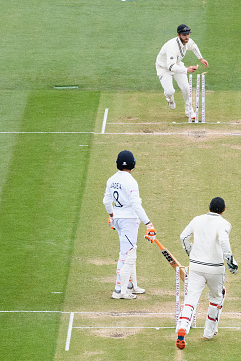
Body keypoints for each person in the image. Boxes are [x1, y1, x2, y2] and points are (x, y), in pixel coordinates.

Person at [175, 197, 238, 350]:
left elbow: (183, 237)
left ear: (209, 206)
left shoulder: (197, 220)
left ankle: (182, 328)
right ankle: (208, 332)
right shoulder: (224, 224)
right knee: (217, 297)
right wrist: (231, 262)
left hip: (196, 266)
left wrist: (191, 253)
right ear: (223, 210)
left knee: (191, 299)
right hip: (215, 269)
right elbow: (223, 241)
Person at [102, 150, 157, 299]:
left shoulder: (111, 179)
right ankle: (119, 290)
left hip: (119, 219)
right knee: (127, 254)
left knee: (130, 251)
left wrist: (112, 216)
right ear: (133, 164)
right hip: (129, 221)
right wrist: (149, 223)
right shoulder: (131, 181)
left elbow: (106, 202)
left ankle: (131, 285)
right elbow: (136, 205)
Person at [156, 24, 209, 120]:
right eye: (184, 35)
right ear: (178, 35)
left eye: (188, 34)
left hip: (177, 64)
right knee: (170, 91)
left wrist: (201, 59)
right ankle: (169, 99)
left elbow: (194, 47)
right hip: (164, 68)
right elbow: (171, 66)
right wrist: (186, 70)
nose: (187, 37)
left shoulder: (188, 41)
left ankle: (189, 111)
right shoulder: (172, 46)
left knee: (186, 87)